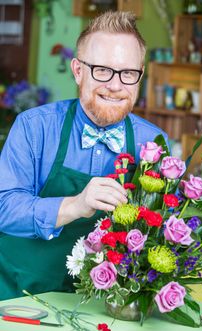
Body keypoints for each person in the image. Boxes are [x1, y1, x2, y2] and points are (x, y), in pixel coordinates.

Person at [0, 11, 169, 300]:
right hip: (19, 295)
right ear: (78, 71)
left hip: (103, 306)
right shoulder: (34, 127)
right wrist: (75, 205)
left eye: (128, 73)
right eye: (102, 70)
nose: (116, 86)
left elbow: (158, 227)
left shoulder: (151, 142)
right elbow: (4, 209)